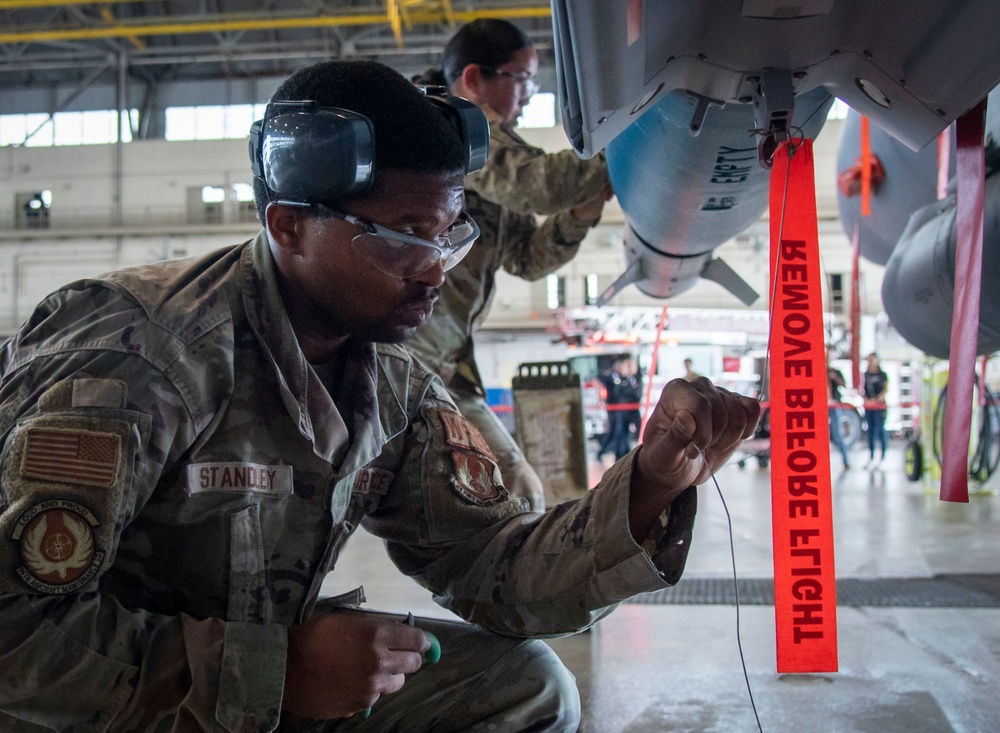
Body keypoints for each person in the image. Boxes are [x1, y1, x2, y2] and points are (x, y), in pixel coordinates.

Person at [0, 59, 759, 731]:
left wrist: (650, 485)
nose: (435, 271)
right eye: (403, 237)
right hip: (89, 708)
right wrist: (277, 670)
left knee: (522, 689)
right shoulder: (139, 354)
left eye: (449, 235)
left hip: (244, 695)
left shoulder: (392, 380)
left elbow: (495, 567)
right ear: (291, 226)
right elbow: (15, 629)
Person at [408, 18, 614, 512]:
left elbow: (524, 257)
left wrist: (581, 214)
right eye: (521, 80)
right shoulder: (446, 126)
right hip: (395, 353)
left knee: (516, 489)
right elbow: (539, 184)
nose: (527, 95)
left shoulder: (488, 154)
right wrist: (621, 154)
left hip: (441, 363)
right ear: (475, 78)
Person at [863, 351, 890, 468]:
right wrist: (867, 400)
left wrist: (878, 399)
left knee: (880, 430)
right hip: (869, 407)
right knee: (870, 431)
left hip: (880, 406)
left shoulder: (882, 374)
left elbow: (886, 388)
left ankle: (883, 456)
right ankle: (871, 455)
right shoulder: (865, 374)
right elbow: (860, 389)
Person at [827, 347, 851, 470]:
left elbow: (844, 384)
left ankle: (845, 460)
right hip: (821, 405)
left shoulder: (835, 372)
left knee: (838, 434)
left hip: (834, 404)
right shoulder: (816, 371)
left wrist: (834, 378)